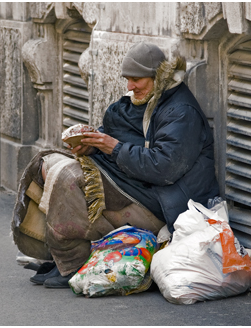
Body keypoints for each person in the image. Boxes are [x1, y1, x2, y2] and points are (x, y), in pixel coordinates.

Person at [11, 41, 219, 288]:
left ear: (158, 77)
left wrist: (112, 147)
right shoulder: (145, 100)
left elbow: (164, 168)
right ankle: (56, 255)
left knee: (71, 178)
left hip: (164, 199)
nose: (130, 86)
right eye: (128, 79)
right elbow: (123, 136)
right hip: (139, 183)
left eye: (136, 80)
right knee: (48, 164)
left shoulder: (181, 111)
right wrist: (94, 146)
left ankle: (73, 263)